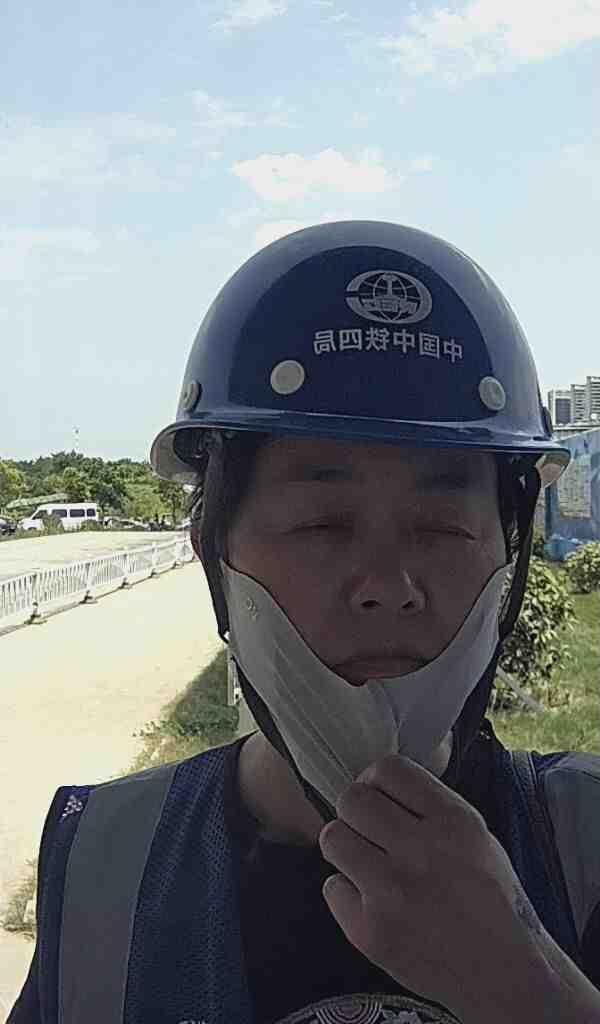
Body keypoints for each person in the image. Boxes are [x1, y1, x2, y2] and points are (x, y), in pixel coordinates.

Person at [8, 222, 600, 1024]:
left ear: (510, 551)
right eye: (322, 525)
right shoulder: (105, 864)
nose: (388, 588)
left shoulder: (586, 841)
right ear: (213, 551)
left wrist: (535, 990)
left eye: (443, 527)